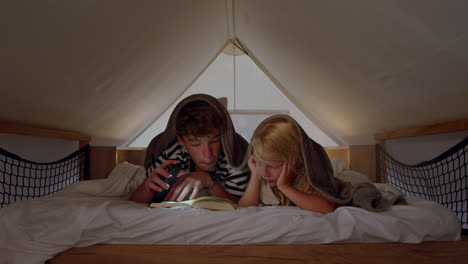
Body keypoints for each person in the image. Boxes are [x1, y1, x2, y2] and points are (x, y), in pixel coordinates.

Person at [129, 94, 249, 204]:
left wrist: (208, 181)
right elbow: (133, 203)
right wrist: (147, 186)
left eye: (214, 141)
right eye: (196, 144)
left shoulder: (235, 158)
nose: (208, 154)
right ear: (181, 141)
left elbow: (239, 204)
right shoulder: (172, 154)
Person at [238, 115, 335, 214]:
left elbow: (327, 209)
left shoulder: (309, 176)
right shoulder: (261, 175)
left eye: (273, 166)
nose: (264, 172)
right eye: (259, 162)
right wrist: (255, 176)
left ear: (296, 160)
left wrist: (285, 186)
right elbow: (243, 210)